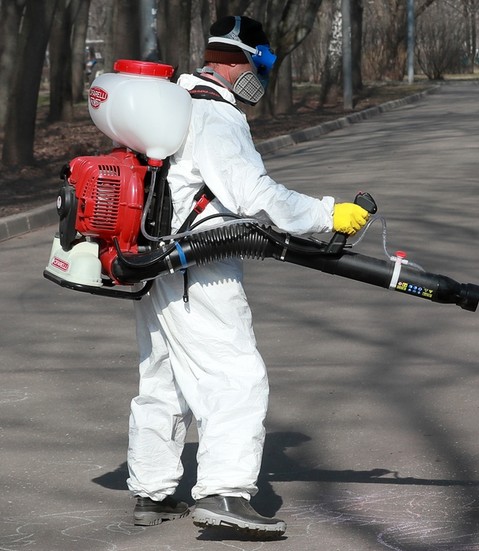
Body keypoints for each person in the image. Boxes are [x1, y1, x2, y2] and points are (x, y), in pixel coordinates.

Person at [126, 15, 370, 538]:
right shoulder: (216, 118)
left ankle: (152, 490)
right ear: (243, 62)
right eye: (262, 64)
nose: (261, 77)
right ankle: (225, 492)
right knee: (237, 376)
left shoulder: (173, 100)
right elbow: (255, 196)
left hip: (153, 261)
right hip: (200, 267)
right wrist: (331, 214)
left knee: (164, 379)